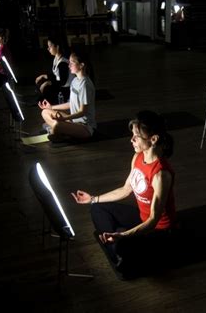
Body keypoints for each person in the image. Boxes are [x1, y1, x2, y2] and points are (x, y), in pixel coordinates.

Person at [71, 110, 177, 277]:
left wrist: (122, 235)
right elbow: (126, 189)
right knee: (97, 208)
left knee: (122, 243)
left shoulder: (161, 174)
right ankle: (117, 245)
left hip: (158, 231)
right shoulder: (137, 157)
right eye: (132, 135)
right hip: (142, 218)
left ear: (153, 139)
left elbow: (153, 220)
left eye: (136, 136)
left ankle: (118, 245)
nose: (131, 139)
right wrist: (92, 198)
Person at [38, 49, 96, 143]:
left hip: (85, 127)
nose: (69, 65)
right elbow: (71, 104)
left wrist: (64, 118)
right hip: (72, 122)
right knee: (45, 112)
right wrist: (51, 107)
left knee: (57, 125)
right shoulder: (75, 81)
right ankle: (58, 131)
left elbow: (82, 112)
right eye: (69, 62)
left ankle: (55, 129)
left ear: (82, 65)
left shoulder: (85, 85)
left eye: (72, 63)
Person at [35, 36, 73, 105]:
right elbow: (56, 76)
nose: (48, 48)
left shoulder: (63, 63)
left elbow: (62, 82)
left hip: (65, 90)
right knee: (41, 81)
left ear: (57, 47)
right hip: (60, 85)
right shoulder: (56, 58)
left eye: (50, 46)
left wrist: (48, 82)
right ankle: (41, 100)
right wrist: (43, 76)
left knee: (45, 87)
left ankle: (46, 102)